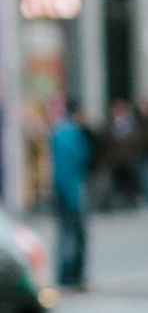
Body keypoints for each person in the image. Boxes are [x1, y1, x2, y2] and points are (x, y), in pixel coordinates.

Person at [49, 103, 93, 289]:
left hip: (62, 190)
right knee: (75, 235)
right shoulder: (74, 135)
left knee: (65, 234)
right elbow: (81, 161)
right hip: (73, 191)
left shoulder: (58, 133)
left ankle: (64, 275)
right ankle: (73, 276)